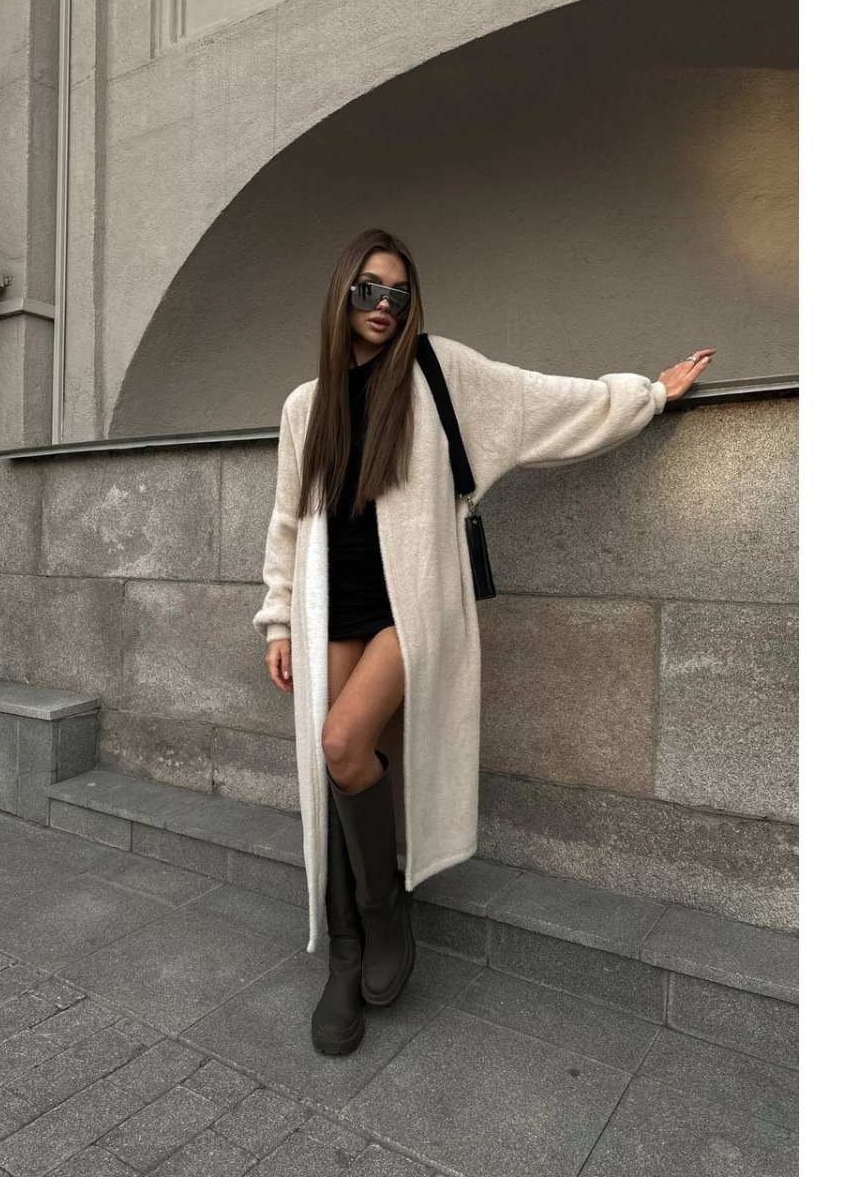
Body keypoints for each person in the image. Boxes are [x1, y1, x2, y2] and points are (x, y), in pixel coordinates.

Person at [254, 228, 713, 1056]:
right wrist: (280, 617)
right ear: (341, 294)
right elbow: (288, 520)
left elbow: (541, 402)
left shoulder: (439, 373)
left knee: (343, 743)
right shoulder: (304, 406)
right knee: (337, 768)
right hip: (331, 610)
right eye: (368, 288)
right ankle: (345, 952)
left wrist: (648, 393)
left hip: (412, 606)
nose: (384, 304)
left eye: (398, 292)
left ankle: (384, 916)